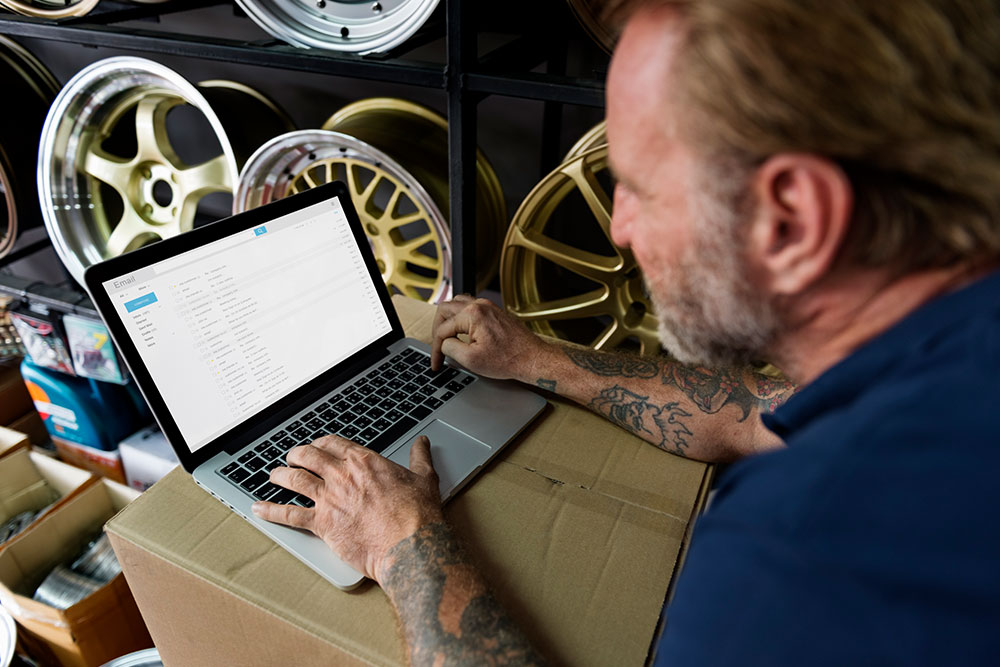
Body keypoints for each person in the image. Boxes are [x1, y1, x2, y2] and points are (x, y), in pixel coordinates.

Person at [253, 0, 1000, 663]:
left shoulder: (803, 559)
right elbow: (762, 413)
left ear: (793, 219)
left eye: (640, 189)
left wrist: (402, 543)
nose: (619, 226)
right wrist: (536, 357)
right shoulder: (955, 355)